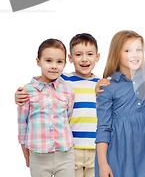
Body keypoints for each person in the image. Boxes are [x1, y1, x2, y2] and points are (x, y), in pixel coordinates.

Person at [15, 33, 100, 177]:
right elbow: (43, 84)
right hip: (68, 147)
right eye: (79, 54)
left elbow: (67, 114)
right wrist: (18, 95)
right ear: (71, 59)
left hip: (84, 147)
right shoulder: (63, 80)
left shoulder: (98, 83)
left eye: (90, 54)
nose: (84, 59)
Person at [94, 30, 145, 177]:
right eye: (128, 50)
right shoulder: (107, 86)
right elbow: (103, 129)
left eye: (138, 50)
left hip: (144, 151)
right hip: (119, 155)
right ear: (116, 53)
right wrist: (103, 164)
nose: (135, 55)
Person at [18, 38, 75, 177]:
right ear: (38, 62)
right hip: (38, 157)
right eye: (48, 61)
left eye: (59, 62)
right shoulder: (26, 91)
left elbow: (67, 118)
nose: (54, 66)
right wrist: (27, 157)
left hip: (65, 155)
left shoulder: (68, 92)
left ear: (65, 63)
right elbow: (22, 127)